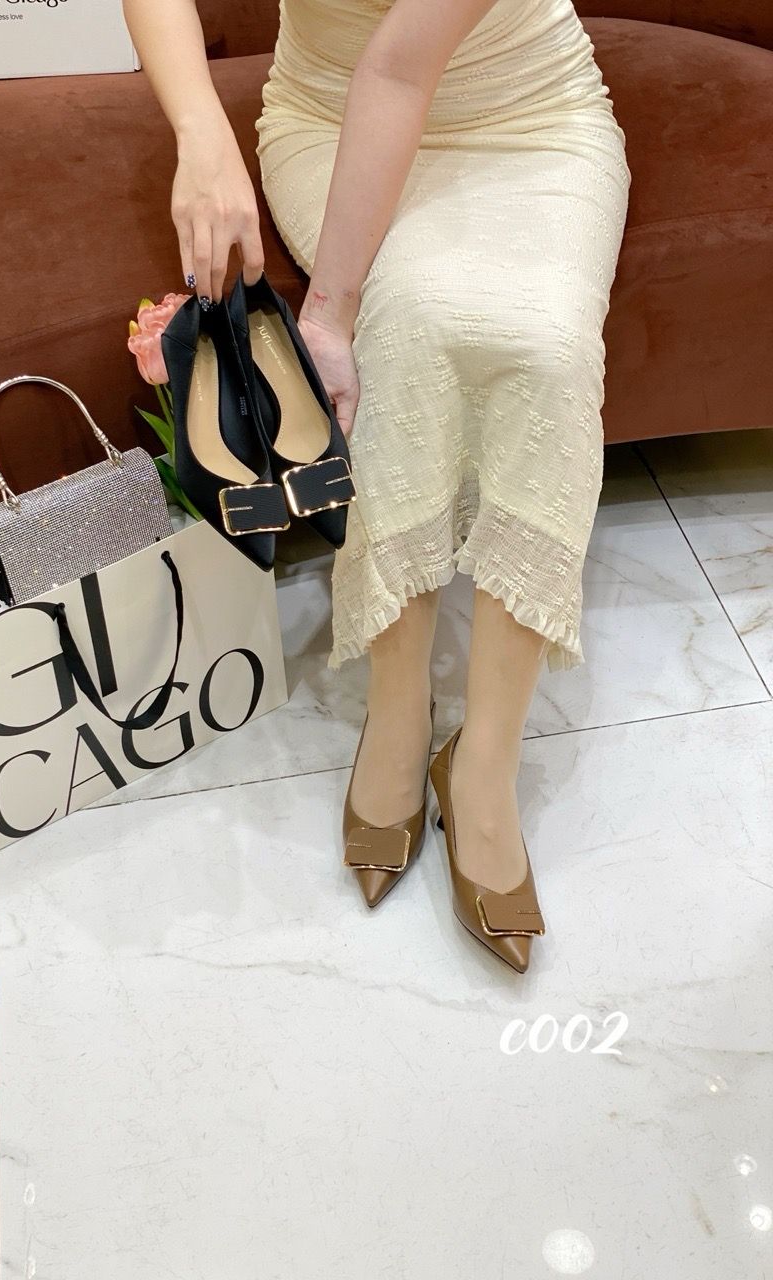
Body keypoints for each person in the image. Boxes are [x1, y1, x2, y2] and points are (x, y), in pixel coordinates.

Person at [121, 0, 630, 971]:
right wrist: (200, 131)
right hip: (327, 119)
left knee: (547, 348)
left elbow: (401, 67)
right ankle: (398, 713)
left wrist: (326, 313)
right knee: (408, 319)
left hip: (529, 121)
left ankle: (485, 763)